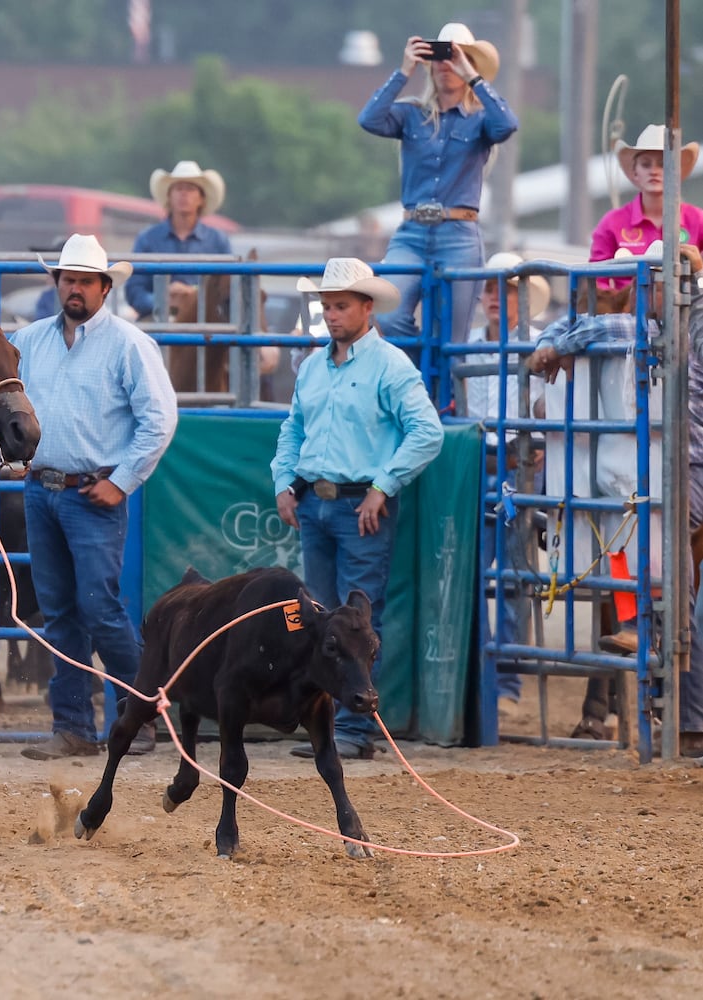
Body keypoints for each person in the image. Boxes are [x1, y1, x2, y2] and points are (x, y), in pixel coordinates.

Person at [528, 242, 703, 755]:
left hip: (677, 462)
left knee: (646, 539)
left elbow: (608, 328)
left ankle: (666, 667)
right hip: (656, 459)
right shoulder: (661, 326)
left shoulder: (654, 327)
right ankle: (664, 689)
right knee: (631, 527)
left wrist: (554, 344)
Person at [13, 234, 178, 760]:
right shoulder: (30, 339)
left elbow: (160, 419)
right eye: (68, 279)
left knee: (98, 607)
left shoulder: (129, 344)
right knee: (60, 611)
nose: (76, 288)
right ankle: (74, 726)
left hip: (92, 491)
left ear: (105, 288)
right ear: (56, 283)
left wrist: (123, 480)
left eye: (85, 280)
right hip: (44, 488)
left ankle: (140, 715)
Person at [272, 258, 444, 759]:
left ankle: (353, 729)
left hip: (357, 506)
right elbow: (294, 430)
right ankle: (331, 725)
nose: (331, 315)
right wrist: (285, 480)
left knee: (353, 620)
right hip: (320, 500)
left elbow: (426, 431)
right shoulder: (313, 366)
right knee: (318, 619)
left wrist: (382, 486)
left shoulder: (389, 365)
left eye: (341, 306)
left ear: (367, 308)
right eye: (326, 306)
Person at [358, 23, 517, 346]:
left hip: (459, 236)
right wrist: (404, 70)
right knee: (387, 315)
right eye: (440, 56)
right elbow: (369, 119)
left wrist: (472, 75)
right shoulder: (411, 113)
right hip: (411, 234)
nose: (446, 64)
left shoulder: (480, 119)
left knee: (451, 340)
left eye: (455, 56)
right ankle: (418, 378)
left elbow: (508, 124)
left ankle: (444, 395)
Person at [460, 253, 550, 713]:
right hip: (481, 461)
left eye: (507, 290)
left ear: (522, 298)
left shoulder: (537, 344)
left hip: (515, 465)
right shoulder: (470, 343)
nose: (496, 298)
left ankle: (507, 682)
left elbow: (550, 409)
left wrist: (542, 441)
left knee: (512, 575)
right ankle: (490, 678)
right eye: (491, 289)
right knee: (476, 574)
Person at [589, 124, 703, 287]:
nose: (654, 171)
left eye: (663, 164)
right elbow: (596, 285)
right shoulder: (611, 223)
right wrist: (622, 305)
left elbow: (702, 287)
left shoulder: (698, 220)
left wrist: (699, 269)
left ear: (676, 172)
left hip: (687, 311)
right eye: (646, 164)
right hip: (628, 312)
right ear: (635, 172)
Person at [124, 160, 233, 321]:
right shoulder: (147, 238)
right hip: (156, 319)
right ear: (169, 196)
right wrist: (163, 299)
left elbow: (226, 291)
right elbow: (134, 290)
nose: (184, 194)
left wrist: (193, 296)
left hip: (203, 323)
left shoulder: (218, 240)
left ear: (201, 198)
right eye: (178, 188)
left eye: (190, 189)